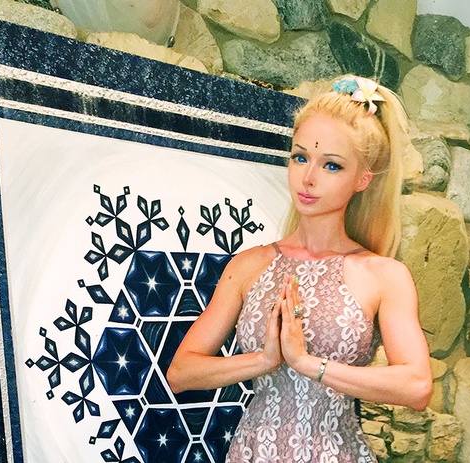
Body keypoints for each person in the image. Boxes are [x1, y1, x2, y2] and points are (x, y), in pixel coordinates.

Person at [167, 75, 432, 462]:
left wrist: (307, 363)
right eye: (300, 157)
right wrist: (263, 360)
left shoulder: (383, 275)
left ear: (362, 179)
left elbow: (417, 386)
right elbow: (181, 373)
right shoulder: (249, 265)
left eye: (332, 166)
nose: (308, 178)